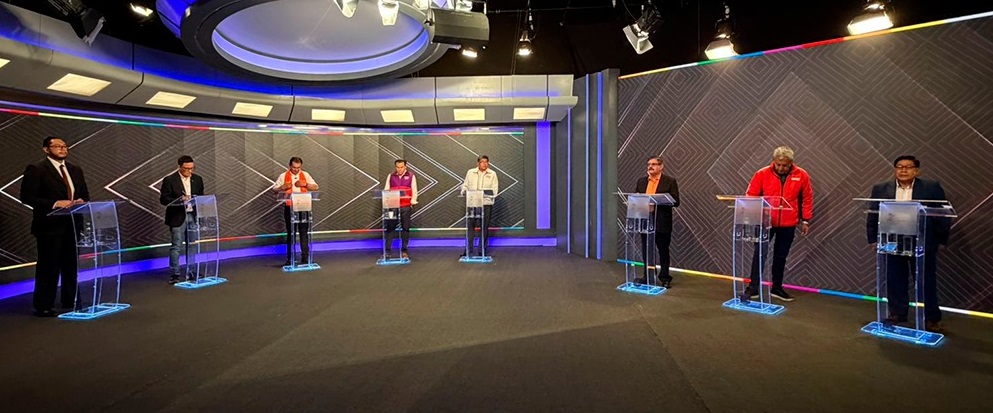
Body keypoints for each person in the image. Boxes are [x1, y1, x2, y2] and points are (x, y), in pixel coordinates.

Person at [866, 155, 950, 333]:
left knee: (926, 281)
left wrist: (942, 239)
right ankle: (897, 313)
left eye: (908, 167)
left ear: (916, 170)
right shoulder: (881, 188)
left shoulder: (930, 187)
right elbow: (873, 214)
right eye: (899, 167)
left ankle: (931, 318)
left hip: (922, 241)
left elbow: (942, 215)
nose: (903, 170)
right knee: (895, 279)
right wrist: (873, 238)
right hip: (893, 241)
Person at [19, 136, 90, 317]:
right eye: (57, 146)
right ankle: (43, 305)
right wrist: (55, 203)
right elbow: (27, 197)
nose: (62, 149)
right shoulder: (37, 169)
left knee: (71, 266)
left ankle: (70, 300)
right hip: (49, 227)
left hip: (73, 224)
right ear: (46, 149)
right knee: (49, 267)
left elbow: (85, 194)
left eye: (64, 146)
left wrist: (81, 201)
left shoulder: (76, 169)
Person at [743, 146, 813, 302]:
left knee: (781, 256)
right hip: (765, 222)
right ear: (773, 161)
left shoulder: (802, 175)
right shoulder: (761, 174)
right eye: (778, 164)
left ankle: (777, 287)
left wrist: (805, 219)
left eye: (785, 165)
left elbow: (807, 198)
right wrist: (755, 217)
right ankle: (753, 287)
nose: (781, 168)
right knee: (759, 254)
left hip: (788, 223)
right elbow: (751, 196)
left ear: (791, 163)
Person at [634, 156, 680, 288]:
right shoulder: (641, 182)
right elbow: (637, 198)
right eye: (649, 164)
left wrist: (660, 199)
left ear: (661, 167)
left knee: (663, 250)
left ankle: (665, 278)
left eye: (654, 164)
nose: (650, 166)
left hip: (661, 221)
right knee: (646, 250)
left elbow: (676, 201)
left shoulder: (669, 181)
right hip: (645, 219)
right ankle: (648, 276)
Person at [159, 155, 205, 284]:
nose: (189, 171)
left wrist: (196, 200)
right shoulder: (170, 180)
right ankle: (175, 274)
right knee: (176, 246)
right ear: (179, 167)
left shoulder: (198, 179)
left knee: (192, 245)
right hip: (177, 216)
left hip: (192, 215)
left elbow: (200, 197)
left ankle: (192, 271)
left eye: (191, 168)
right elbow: (163, 199)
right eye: (186, 169)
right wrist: (180, 200)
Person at [273, 157, 319, 266]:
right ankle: (290, 259)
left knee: (304, 234)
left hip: (304, 207)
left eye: (298, 168)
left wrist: (305, 185)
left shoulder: (305, 175)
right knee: (291, 234)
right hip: (290, 207)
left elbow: (316, 187)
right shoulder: (283, 176)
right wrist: (282, 187)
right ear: (290, 166)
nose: (296, 170)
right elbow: (274, 190)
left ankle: (305, 259)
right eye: (294, 167)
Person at [461, 155, 499, 255]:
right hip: (472, 203)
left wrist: (485, 194)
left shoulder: (492, 174)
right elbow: (465, 185)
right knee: (470, 227)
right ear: (478, 163)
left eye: (486, 162)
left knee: (484, 228)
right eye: (482, 162)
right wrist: (464, 191)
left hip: (486, 204)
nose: (484, 164)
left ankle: (482, 251)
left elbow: (495, 191)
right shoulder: (470, 172)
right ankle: (468, 251)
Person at [383, 159, 418, 259]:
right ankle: (387, 251)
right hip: (392, 206)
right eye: (398, 167)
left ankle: (404, 250)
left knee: (405, 228)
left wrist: (412, 201)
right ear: (395, 167)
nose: (399, 169)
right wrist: (386, 202)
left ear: (405, 167)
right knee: (390, 228)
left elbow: (414, 190)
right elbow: (386, 189)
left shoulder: (411, 176)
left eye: (401, 167)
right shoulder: (391, 176)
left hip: (405, 206)